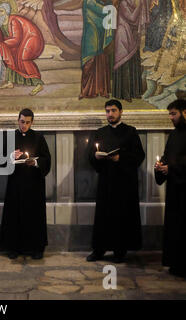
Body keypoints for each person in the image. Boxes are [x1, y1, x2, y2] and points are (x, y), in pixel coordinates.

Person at [86, 99, 145, 263]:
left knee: (122, 217)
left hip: (125, 182)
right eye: (107, 111)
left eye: (113, 111)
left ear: (120, 112)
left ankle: (120, 251)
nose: (110, 114)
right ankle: (99, 250)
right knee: (103, 217)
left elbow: (139, 155)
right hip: (106, 181)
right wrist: (96, 156)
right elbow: (90, 155)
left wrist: (121, 158)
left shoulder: (130, 132)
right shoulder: (100, 132)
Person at [0, 108, 51, 260]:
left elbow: (47, 160)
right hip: (16, 182)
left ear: (32, 122)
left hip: (34, 183)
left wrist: (34, 162)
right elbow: (0, 160)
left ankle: (36, 248)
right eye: (22, 122)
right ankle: (14, 247)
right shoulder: (10, 137)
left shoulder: (39, 137)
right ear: (18, 120)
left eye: (28, 122)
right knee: (14, 215)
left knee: (34, 215)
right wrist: (10, 156)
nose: (24, 125)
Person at [155, 99, 186, 278]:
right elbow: (168, 156)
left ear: (185, 112)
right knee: (175, 227)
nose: (170, 117)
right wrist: (161, 166)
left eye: (173, 113)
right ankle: (176, 263)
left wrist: (172, 168)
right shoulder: (174, 135)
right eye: (170, 114)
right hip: (175, 189)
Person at [0, 2, 45, 96]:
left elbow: (16, 39)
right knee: (10, 57)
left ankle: (38, 83)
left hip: (31, 38)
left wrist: (0, 44)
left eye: (2, 11)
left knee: (24, 58)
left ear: (7, 12)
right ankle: (10, 82)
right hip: (16, 43)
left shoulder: (13, 21)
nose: (0, 13)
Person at [112, 0, 149, 102]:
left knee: (133, 64)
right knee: (125, 65)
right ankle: (125, 93)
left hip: (132, 36)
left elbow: (136, 20)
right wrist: (140, 5)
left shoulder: (131, 3)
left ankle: (135, 92)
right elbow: (132, 18)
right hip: (123, 36)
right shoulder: (123, 3)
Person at [79, 0, 114, 99]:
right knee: (90, 62)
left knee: (101, 61)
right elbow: (103, 10)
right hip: (92, 36)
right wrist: (113, 6)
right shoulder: (89, 1)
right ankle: (87, 91)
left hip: (101, 34)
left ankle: (102, 89)